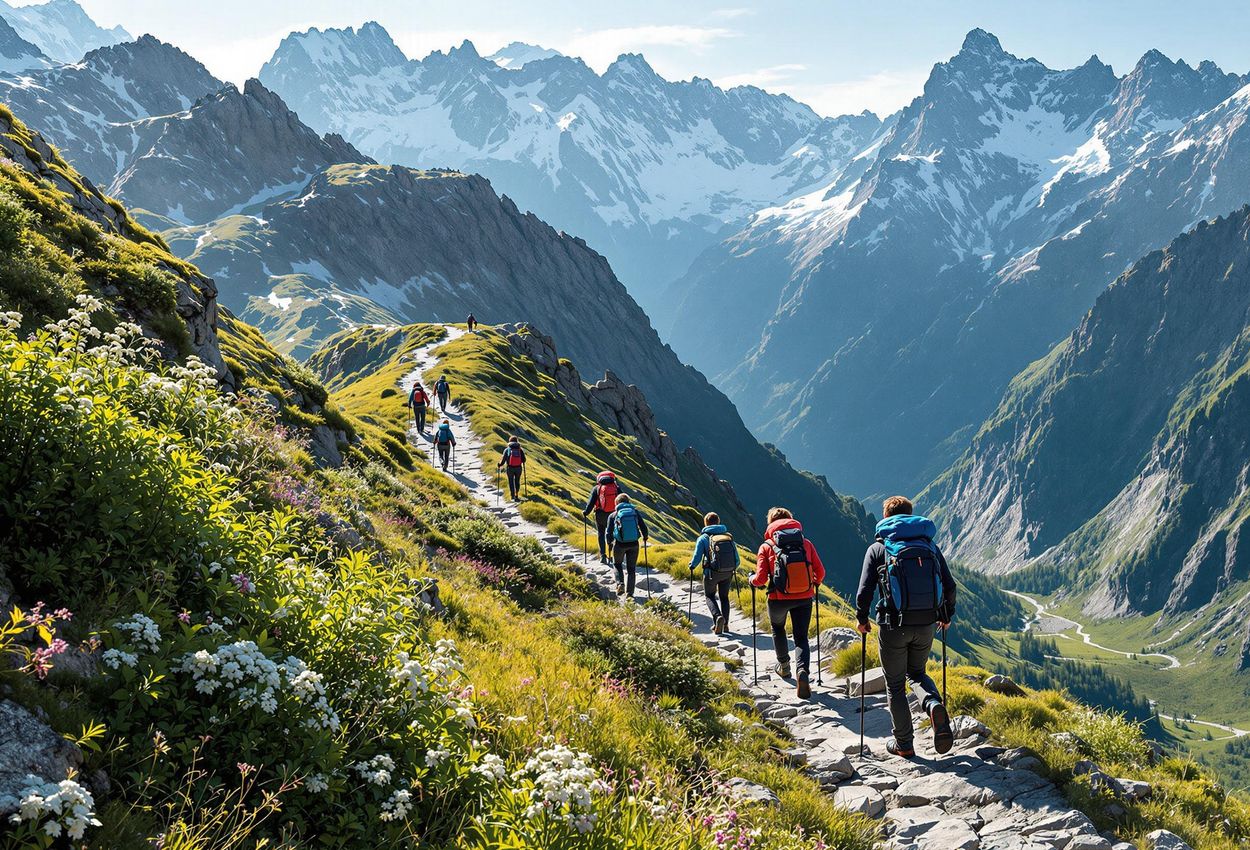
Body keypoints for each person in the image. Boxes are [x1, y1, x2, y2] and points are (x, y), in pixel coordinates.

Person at [855, 495, 957, 758]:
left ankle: (904, 744)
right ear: (911, 515)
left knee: (895, 685)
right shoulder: (929, 546)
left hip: (892, 625)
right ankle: (932, 703)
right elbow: (949, 585)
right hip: (926, 623)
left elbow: (865, 590)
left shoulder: (878, 549)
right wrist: (945, 614)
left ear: (886, 517)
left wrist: (862, 619)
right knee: (917, 674)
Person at [749, 507, 825, 699]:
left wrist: (751, 580)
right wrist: (812, 584)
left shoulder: (766, 546)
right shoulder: (806, 544)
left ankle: (784, 667)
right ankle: (803, 672)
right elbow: (820, 572)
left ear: (771, 524)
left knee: (778, 628)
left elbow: (760, 579)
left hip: (778, 599)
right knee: (801, 637)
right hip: (804, 598)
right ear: (792, 521)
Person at [689, 512, 739, 634]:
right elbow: (737, 559)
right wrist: (731, 569)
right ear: (718, 522)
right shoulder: (728, 536)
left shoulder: (703, 538)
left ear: (706, 523)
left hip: (711, 572)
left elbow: (697, 556)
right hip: (728, 572)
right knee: (724, 597)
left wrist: (692, 566)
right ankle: (726, 625)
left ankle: (717, 617)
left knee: (709, 595)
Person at [606, 495, 649, 601]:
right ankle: (630, 593)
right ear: (628, 502)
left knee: (617, 564)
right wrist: (645, 536)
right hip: (634, 544)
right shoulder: (635, 512)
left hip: (619, 544)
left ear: (616, 503)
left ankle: (620, 583)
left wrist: (609, 543)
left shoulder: (613, 515)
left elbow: (608, 532)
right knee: (631, 569)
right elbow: (643, 527)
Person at [581, 471, 622, 565]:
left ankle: (603, 556)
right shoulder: (616, 488)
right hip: (613, 514)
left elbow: (591, 503)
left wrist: (586, 512)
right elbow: (623, 500)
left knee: (601, 534)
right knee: (613, 534)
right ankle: (612, 555)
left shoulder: (597, 488)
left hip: (600, 515)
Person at [497, 436, 525, 500]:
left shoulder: (507, 450)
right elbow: (524, 460)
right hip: (518, 468)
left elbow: (503, 461)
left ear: (510, 441)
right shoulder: (520, 450)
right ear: (517, 441)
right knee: (517, 481)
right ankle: (516, 495)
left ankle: (512, 496)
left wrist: (499, 465)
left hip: (510, 468)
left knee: (511, 481)